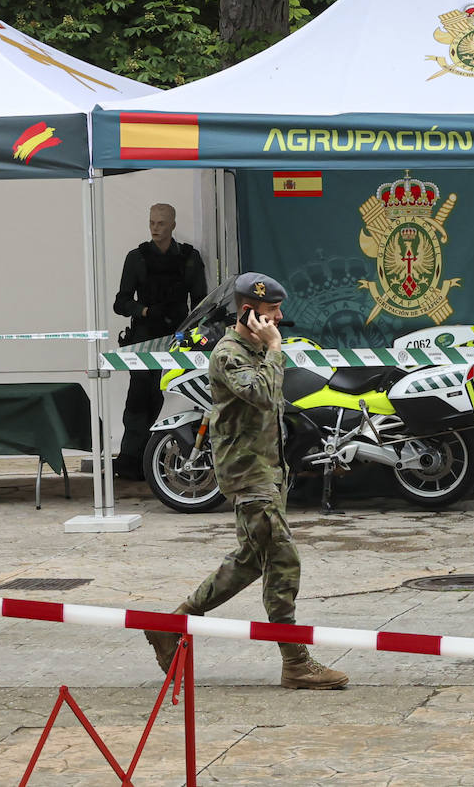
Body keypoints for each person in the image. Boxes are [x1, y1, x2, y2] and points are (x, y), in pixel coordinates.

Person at [145, 271, 348, 689]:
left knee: (252, 560)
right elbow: (264, 395)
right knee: (282, 560)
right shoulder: (228, 354)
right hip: (247, 473)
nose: (279, 317)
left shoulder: (253, 349)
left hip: (266, 470)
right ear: (248, 312)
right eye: (272, 311)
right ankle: (295, 661)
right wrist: (275, 349)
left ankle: (173, 624)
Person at [112, 203, 207, 479]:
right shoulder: (137, 258)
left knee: (172, 396)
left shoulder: (189, 258)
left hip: (178, 337)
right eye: (152, 222)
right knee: (139, 397)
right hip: (144, 336)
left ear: (173, 226)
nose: (155, 228)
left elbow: (200, 302)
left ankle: (166, 456)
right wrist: (144, 311)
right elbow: (121, 302)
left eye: (161, 223)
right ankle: (132, 458)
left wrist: (191, 331)